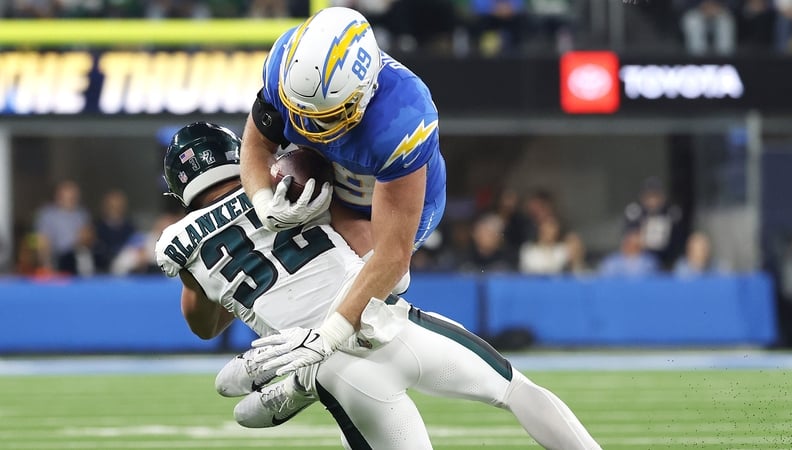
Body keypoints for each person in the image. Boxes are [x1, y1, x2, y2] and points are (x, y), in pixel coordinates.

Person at [155, 122, 601, 449]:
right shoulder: (291, 178)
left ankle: (303, 385)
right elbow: (371, 243)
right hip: (389, 325)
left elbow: (203, 325)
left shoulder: (181, 241)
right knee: (514, 389)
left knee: (247, 401)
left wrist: (211, 277)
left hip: (333, 370)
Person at [239, 6, 447, 375]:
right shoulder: (283, 71)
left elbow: (391, 257)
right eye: (304, 112)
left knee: (377, 283)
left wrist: (325, 337)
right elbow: (255, 148)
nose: (315, 125)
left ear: (365, 91)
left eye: (330, 114)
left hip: (388, 199)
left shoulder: (401, 118)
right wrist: (263, 203)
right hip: (335, 189)